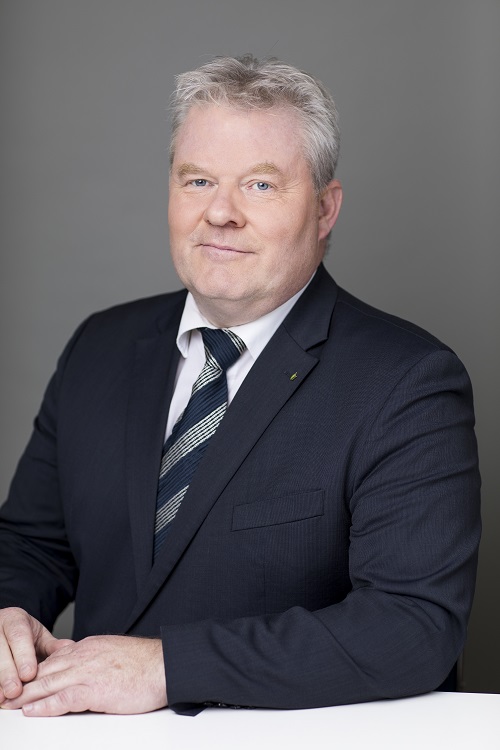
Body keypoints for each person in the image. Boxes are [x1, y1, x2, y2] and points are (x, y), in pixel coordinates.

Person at [0, 54, 480, 717]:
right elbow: (30, 545)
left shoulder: (407, 381)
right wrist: (7, 614)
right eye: (198, 180)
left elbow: (412, 627)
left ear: (324, 209)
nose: (220, 213)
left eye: (260, 185)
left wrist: (168, 668)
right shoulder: (99, 347)